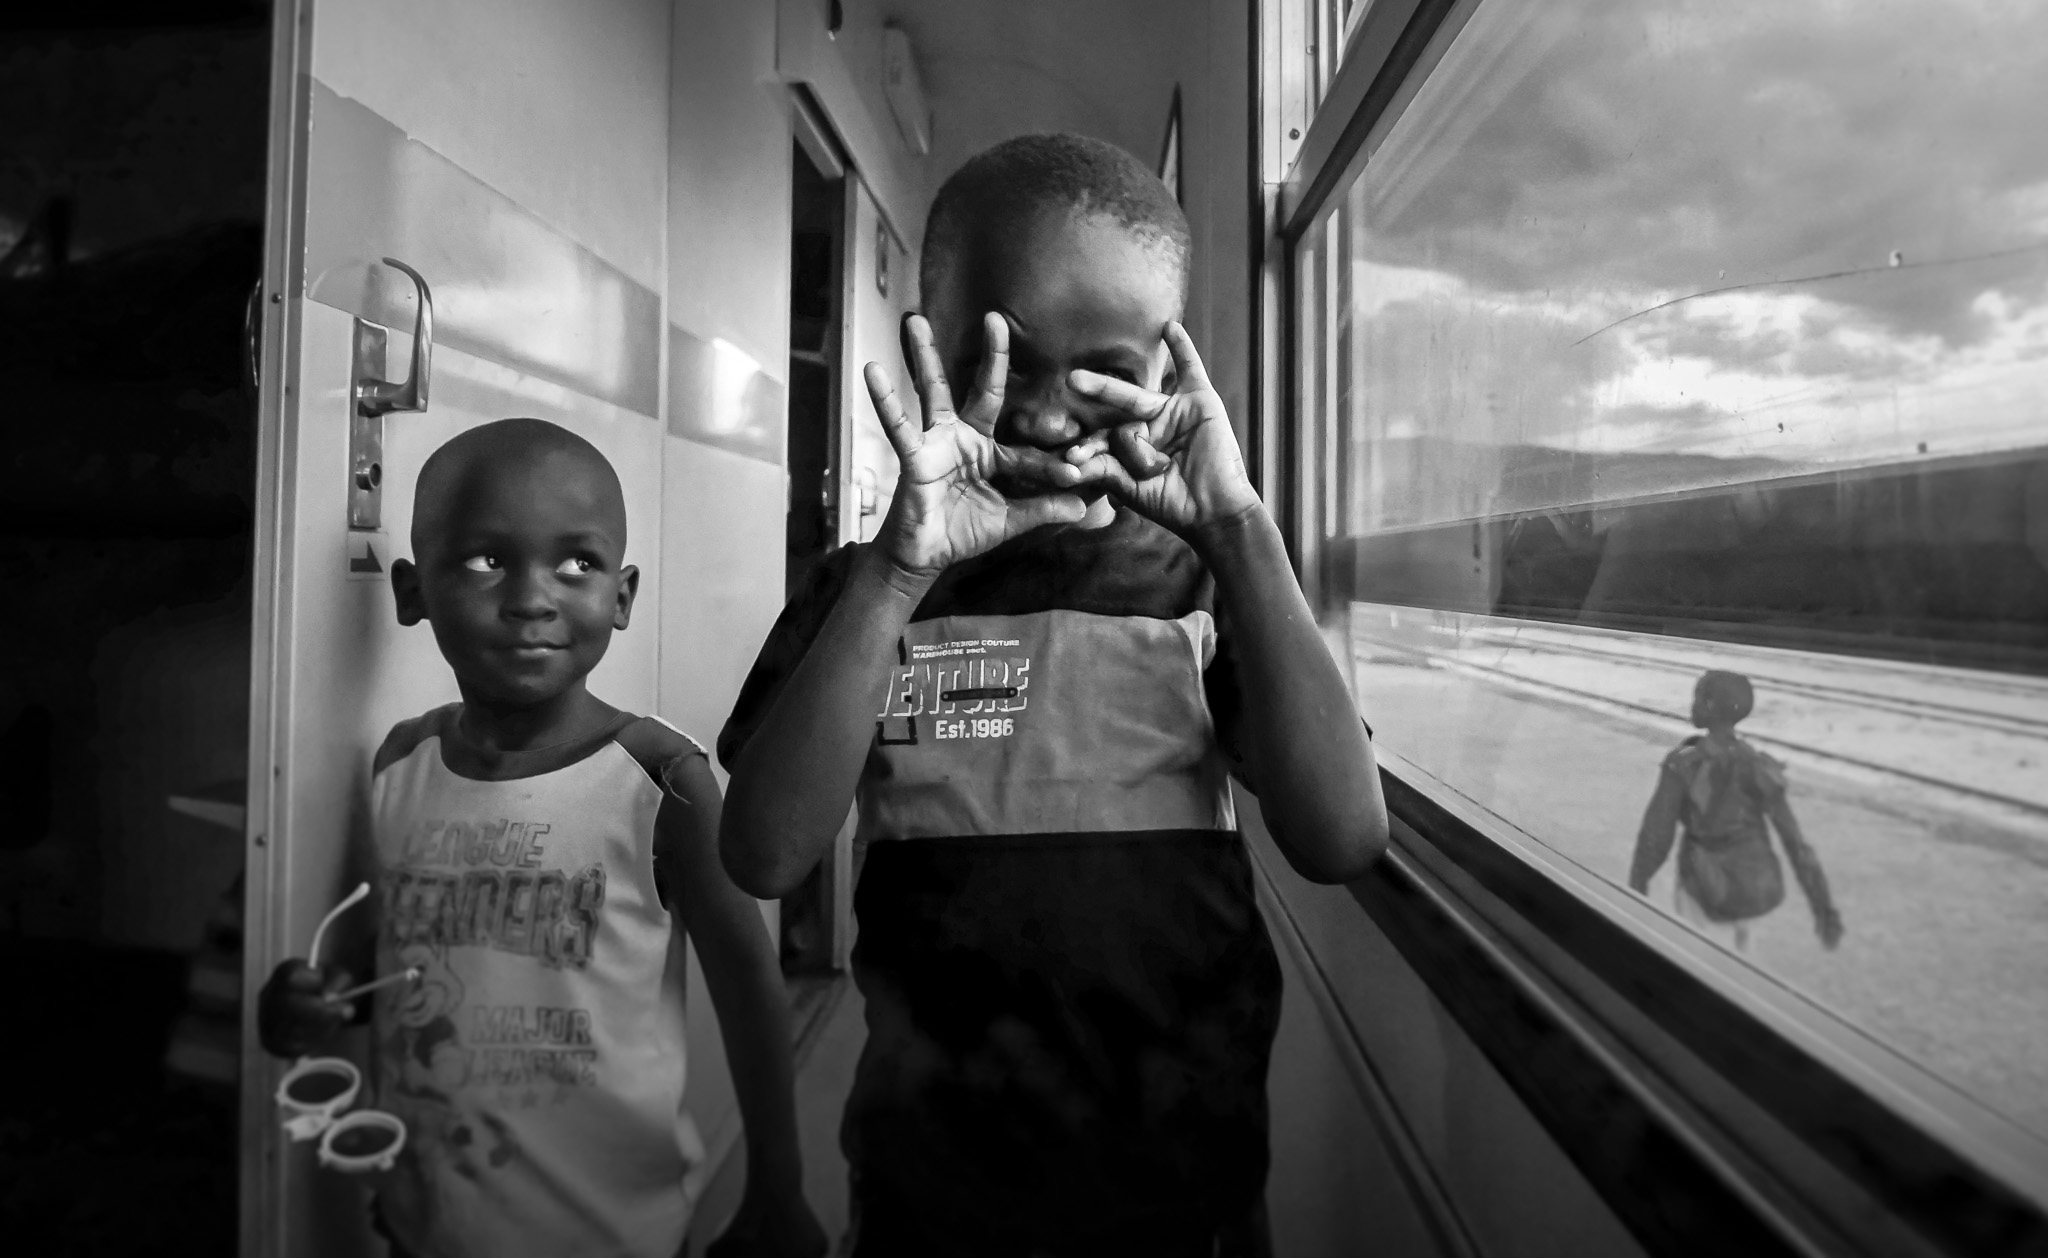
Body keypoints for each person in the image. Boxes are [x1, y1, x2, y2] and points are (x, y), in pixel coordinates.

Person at [717, 134, 1387, 1257]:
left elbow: (1341, 833)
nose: (1038, 413)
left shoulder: (1198, 586)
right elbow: (763, 854)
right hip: (929, 1189)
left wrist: (1240, 532)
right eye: (1003, 357)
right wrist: (893, 574)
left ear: (1164, 378)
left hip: (1188, 1193)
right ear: (919, 337)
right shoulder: (869, 588)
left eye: (1100, 371)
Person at [257, 418, 826, 1258]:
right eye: (487, 560)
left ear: (622, 595)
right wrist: (318, 996)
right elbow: (408, 939)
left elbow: (749, 991)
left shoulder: (662, 781)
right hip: (423, 1220)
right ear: (413, 592)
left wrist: (779, 1190)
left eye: (578, 564)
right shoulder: (400, 762)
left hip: (608, 1234)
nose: (532, 597)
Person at [1628, 669, 1844, 953]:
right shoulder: (1759, 765)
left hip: (1703, 891)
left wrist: (1636, 887)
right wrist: (1823, 908)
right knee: (1740, 966)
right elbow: (1796, 843)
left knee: (1702, 965)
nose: (1692, 705)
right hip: (1753, 890)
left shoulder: (1682, 765)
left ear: (1708, 706)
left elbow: (1655, 837)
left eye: (1697, 698)